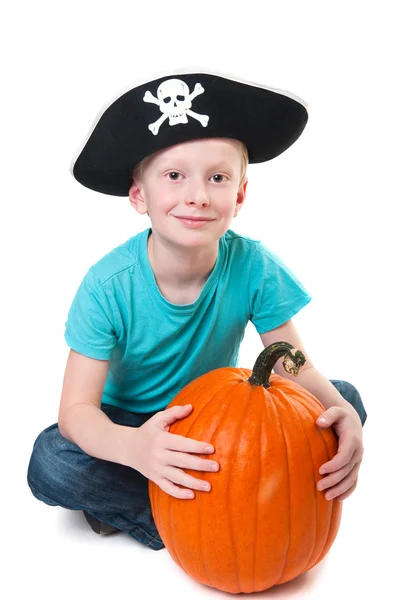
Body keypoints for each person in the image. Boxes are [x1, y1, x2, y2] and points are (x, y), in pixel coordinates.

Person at [27, 70, 367, 551]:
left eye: (218, 178)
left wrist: (340, 412)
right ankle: (196, 511)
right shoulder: (107, 286)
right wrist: (133, 448)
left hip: (217, 418)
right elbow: (77, 412)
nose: (199, 195)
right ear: (139, 195)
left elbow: (293, 362)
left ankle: (202, 498)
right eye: (174, 176)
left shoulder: (253, 265)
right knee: (52, 460)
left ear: (240, 195)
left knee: (344, 400)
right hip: (131, 423)